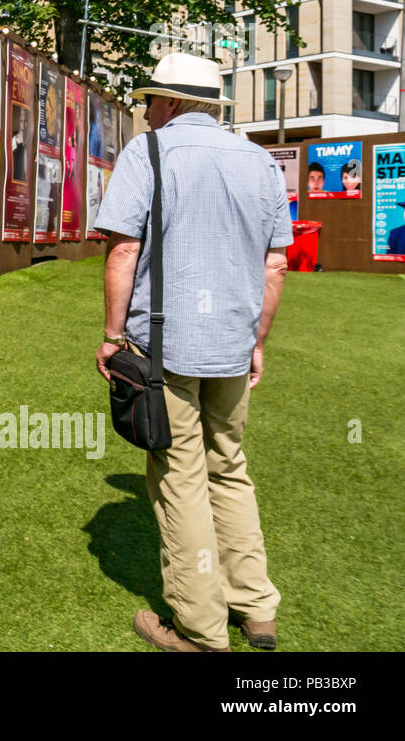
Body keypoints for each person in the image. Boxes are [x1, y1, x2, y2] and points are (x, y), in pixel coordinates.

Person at [94, 53, 290, 653]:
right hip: (232, 340)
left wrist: (110, 334)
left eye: (152, 99)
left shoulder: (147, 153)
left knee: (180, 477)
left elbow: (124, 252)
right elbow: (276, 262)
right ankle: (256, 609)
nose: (147, 110)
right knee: (228, 466)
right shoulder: (259, 161)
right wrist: (258, 341)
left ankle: (201, 632)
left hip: (166, 345)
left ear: (172, 103)